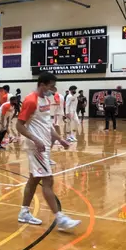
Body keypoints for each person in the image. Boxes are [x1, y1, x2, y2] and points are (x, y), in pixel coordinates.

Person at [16, 72, 81, 231]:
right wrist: (35, 139)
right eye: (51, 86)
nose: (53, 89)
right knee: (48, 180)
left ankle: (24, 212)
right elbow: (19, 125)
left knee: (33, 180)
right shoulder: (31, 100)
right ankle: (60, 219)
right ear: (42, 84)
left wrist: (59, 139)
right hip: (36, 147)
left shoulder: (45, 99)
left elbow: (47, 125)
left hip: (44, 145)